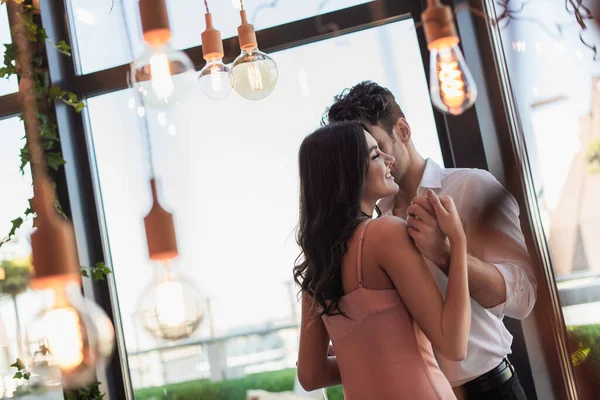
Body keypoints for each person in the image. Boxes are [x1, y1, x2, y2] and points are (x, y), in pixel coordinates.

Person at [325, 81, 537, 400]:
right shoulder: (375, 228)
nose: (375, 163)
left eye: (378, 148)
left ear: (403, 130)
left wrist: (447, 254)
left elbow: (525, 297)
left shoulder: (472, 188)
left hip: (489, 389)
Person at [295, 121, 470, 399]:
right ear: (348, 174)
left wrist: (361, 353)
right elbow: (454, 345)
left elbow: (310, 375)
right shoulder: (385, 233)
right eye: (375, 155)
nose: (389, 159)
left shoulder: (317, 268)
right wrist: (457, 242)